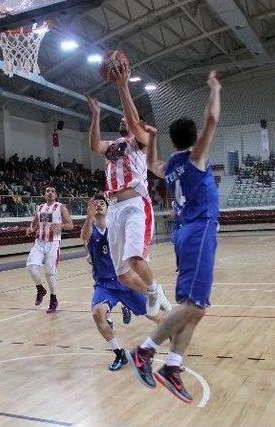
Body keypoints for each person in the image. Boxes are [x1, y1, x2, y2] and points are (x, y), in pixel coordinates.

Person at [126, 71, 222, 403]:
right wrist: (214, 89)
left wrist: (151, 136)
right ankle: (145, 349)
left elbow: (151, 161)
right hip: (198, 231)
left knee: (195, 309)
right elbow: (212, 118)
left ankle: (174, 366)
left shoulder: (171, 166)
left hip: (185, 234)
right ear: (194, 139)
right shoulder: (196, 158)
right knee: (194, 305)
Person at [86, 66, 171, 318]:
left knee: (135, 258)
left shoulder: (138, 141)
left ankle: (155, 289)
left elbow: (133, 120)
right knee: (122, 274)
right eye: (122, 120)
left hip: (135, 203)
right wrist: (96, 115)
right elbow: (93, 145)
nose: (124, 121)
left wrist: (122, 85)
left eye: (129, 121)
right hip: (114, 208)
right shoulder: (113, 145)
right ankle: (154, 293)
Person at [82, 195, 163, 371]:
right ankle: (119, 354)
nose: (99, 206)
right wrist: (88, 217)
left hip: (126, 282)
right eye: (96, 204)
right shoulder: (91, 229)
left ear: (108, 207)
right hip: (104, 285)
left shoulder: (116, 226)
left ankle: (172, 331)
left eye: (102, 203)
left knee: (154, 315)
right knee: (97, 314)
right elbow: (84, 237)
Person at [26, 186, 73, 314]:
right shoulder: (40, 208)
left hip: (53, 244)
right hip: (39, 242)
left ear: (56, 194)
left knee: (49, 273)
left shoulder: (61, 207)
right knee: (31, 267)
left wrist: (61, 225)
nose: (50, 193)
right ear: (44, 194)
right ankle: (40, 289)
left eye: (52, 191)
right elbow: (34, 223)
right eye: (48, 191)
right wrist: (31, 228)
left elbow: (70, 225)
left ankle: (53, 298)